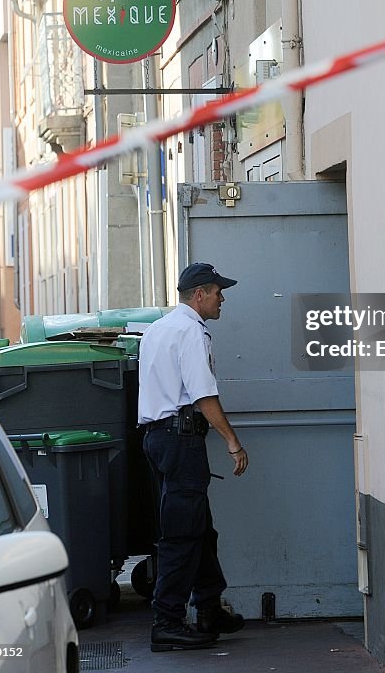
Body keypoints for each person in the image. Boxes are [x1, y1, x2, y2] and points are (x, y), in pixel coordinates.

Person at [137, 261, 249, 653]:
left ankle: (208, 608)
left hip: (160, 439)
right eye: (219, 292)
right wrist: (232, 441)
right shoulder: (190, 332)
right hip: (180, 439)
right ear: (199, 294)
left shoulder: (157, 329)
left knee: (199, 528)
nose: (223, 300)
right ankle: (166, 621)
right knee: (184, 533)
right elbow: (203, 395)